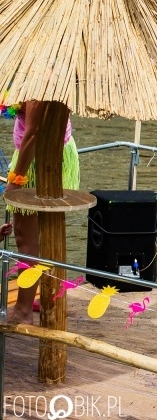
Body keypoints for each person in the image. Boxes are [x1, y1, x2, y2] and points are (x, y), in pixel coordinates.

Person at [3, 101, 80, 324]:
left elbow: (34, 131)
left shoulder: (40, 81)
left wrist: (17, 180)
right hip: (48, 153)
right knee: (49, 232)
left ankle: (23, 310)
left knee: (24, 236)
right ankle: (48, 295)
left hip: (38, 159)